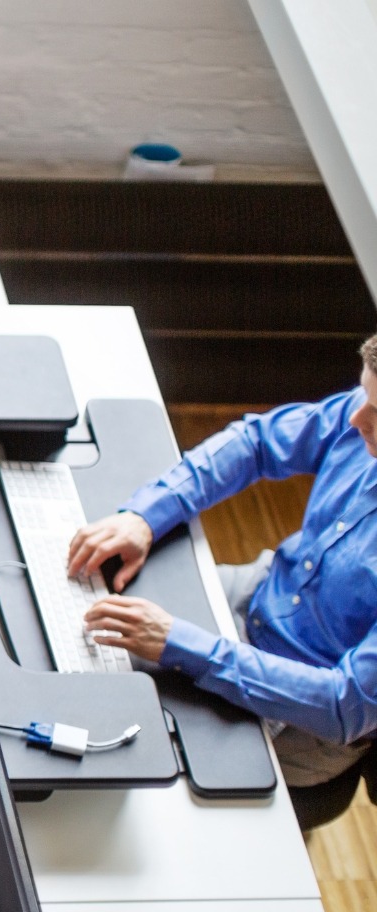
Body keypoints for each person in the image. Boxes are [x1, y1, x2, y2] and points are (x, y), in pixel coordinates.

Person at [70, 334, 377, 791]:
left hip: (301, 712)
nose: (356, 418)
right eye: (364, 395)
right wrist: (146, 516)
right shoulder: (362, 414)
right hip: (260, 596)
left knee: (123, 749)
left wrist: (181, 645)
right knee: (81, 639)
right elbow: (257, 443)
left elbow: (341, 704)